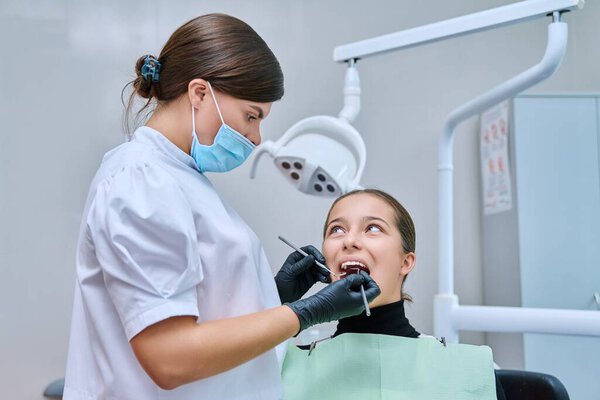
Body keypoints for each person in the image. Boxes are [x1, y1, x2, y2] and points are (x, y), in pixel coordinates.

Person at [63, 14, 380, 399]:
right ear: (199, 93)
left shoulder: (179, 177)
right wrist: (304, 314)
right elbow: (170, 357)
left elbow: (195, 308)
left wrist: (270, 295)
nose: (257, 136)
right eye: (251, 115)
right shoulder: (140, 181)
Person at [316, 188, 506, 399]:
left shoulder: (471, 373)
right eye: (337, 230)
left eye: (372, 228)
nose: (349, 240)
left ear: (406, 262)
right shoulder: (291, 366)